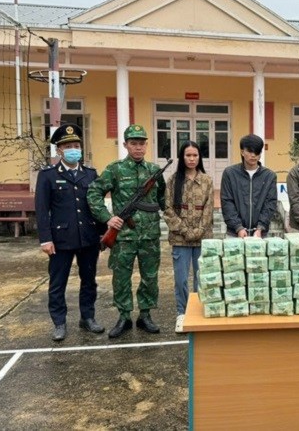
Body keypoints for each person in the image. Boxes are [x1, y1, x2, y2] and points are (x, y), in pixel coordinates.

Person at [87, 124, 166, 338]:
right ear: (125, 145)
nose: (138, 148)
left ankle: (145, 315)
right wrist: (107, 218)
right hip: (123, 237)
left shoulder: (154, 171)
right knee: (121, 278)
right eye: (133, 143)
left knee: (150, 277)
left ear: (146, 145)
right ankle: (123, 316)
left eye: (142, 143)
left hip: (149, 235)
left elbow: (161, 200)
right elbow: (94, 193)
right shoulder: (115, 169)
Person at [35, 123, 104, 342]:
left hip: (88, 238)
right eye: (68, 146)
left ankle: (88, 317)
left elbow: (97, 205)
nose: (73, 149)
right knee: (58, 283)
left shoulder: (91, 174)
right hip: (60, 240)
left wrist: (103, 233)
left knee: (89, 280)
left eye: (76, 145)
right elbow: (41, 210)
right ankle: (59, 323)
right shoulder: (47, 176)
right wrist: (45, 239)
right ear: (59, 151)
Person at [163, 140, 213, 333]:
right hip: (180, 240)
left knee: (201, 278)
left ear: (199, 158)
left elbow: (209, 210)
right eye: (188, 155)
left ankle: (200, 312)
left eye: (195, 155)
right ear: (182, 157)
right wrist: (185, 230)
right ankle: (182, 313)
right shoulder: (174, 180)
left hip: (202, 238)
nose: (191, 159)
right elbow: (167, 210)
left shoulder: (207, 181)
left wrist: (198, 231)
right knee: (181, 279)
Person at [220, 134, 277, 238]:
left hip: (260, 234)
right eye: (250, 151)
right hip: (234, 234)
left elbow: (270, 204)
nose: (253, 155)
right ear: (242, 151)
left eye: (257, 152)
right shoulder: (230, 173)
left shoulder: (269, 176)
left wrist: (260, 227)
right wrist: (238, 227)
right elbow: (227, 202)